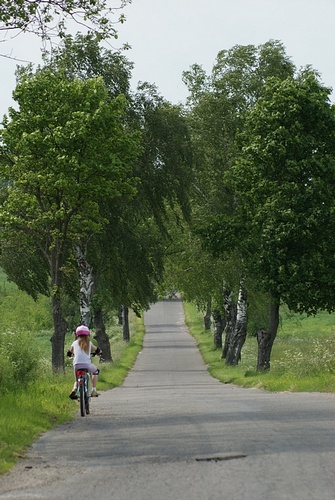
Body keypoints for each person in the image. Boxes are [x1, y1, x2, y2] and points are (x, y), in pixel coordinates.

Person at [67, 325, 102, 399]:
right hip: (87, 365)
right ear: (87, 335)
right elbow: (97, 350)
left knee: (76, 380)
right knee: (95, 371)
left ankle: (74, 389)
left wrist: (71, 355)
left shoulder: (74, 343)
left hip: (76, 365)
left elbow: (69, 353)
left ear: (77, 334)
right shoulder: (89, 343)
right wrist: (99, 352)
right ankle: (94, 390)